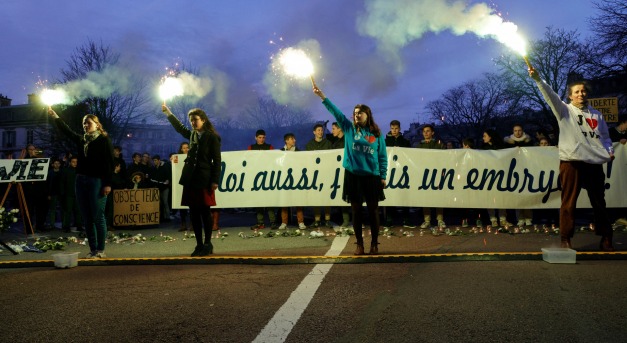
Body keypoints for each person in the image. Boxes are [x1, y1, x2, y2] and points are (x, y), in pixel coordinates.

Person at [529, 68, 615, 251]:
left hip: (593, 163)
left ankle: (607, 236)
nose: (581, 94)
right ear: (570, 97)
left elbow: (606, 138)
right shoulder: (564, 111)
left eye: (583, 91)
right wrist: (538, 79)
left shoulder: (597, 115)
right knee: (568, 201)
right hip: (571, 162)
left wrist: (609, 150)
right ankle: (565, 238)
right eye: (576, 92)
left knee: (599, 202)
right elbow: (550, 95)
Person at [313, 83, 387, 255]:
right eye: (354, 114)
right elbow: (336, 113)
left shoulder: (376, 134)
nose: (356, 116)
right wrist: (322, 96)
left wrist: (383, 175)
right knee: (356, 211)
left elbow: (382, 156)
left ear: (367, 115)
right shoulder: (348, 129)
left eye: (359, 113)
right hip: (353, 176)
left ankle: (375, 243)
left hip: (372, 177)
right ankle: (359, 244)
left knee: (373, 211)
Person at [48, 109, 114, 259]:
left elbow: (110, 163)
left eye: (88, 122)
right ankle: (93, 250)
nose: (85, 125)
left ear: (97, 125)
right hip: (81, 180)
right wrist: (55, 116)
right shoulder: (82, 140)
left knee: (98, 216)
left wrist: (107, 183)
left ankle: (101, 250)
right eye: (84, 123)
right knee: (87, 218)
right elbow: (67, 131)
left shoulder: (104, 140)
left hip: (96, 181)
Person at [162, 105, 221, 257]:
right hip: (191, 178)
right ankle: (199, 244)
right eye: (191, 121)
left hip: (204, 178)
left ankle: (208, 243)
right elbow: (179, 127)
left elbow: (217, 161)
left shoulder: (212, 137)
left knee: (205, 212)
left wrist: (215, 180)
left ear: (203, 120)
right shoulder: (192, 135)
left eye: (195, 120)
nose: (193, 123)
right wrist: (168, 113)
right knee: (193, 212)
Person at [503, 123, 534, 227]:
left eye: (519, 130)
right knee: (518, 196)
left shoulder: (529, 142)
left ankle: (528, 218)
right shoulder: (508, 143)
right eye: (515, 130)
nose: (518, 132)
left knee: (527, 195)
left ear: (522, 131)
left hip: (527, 170)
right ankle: (520, 218)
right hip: (514, 171)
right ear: (513, 132)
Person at [416, 124, 446, 229]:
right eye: (424, 131)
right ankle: (427, 220)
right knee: (426, 197)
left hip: (437, 174)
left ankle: (440, 220)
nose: (425, 133)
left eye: (428, 131)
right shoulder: (419, 145)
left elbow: (444, 157)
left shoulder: (438, 144)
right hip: (425, 174)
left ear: (432, 133)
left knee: (438, 196)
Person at [481, 129, 512, 227]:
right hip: (488, 177)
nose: (483, 138)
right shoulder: (483, 148)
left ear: (490, 137)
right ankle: (493, 219)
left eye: (485, 136)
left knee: (501, 198)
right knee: (490, 198)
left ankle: (503, 219)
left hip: (500, 176)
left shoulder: (501, 147)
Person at [384, 120, 411, 228]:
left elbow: (410, 155)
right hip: (390, 171)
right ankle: (389, 219)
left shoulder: (405, 142)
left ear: (399, 129)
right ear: (390, 129)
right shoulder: (385, 142)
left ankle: (406, 219)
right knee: (390, 194)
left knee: (404, 194)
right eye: (392, 129)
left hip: (402, 171)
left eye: (396, 129)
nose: (394, 131)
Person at [248, 129, 277, 230]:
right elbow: (248, 161)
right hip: (256, 177)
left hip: (267, 177)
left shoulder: (270, 147)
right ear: (255, 138)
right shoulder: (251, 147)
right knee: (259, 201)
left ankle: (273, 222)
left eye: (263, 137)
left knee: (269, 201)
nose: (261, 139)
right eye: (260, 137)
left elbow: (273, 161)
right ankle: (260, 223)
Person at [305, 123, 333, 228]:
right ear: (314, 132)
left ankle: (327, 219)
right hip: (315, 174)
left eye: (321, 130)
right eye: (318, 130)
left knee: (326, 196)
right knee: (316, 196)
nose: (320, 132)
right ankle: (317, 219)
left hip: (326, 173)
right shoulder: (309, 145)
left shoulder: (328, 143)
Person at [278, 133, 307, 230]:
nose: (294, 140)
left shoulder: (298, 151)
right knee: (284, 201)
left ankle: (301, 222)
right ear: (286, 141)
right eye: (292, 139)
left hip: (296, 179)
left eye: (294, 138)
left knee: (298, 201)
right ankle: (284, 222)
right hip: (284, 180)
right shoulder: (281, 152)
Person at [330, 122, 351, 228]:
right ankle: (345, 219)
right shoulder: (335, 143)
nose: (332, 131)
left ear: (340, 129)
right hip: (339, 173)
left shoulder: (347, 140)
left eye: (333, 128)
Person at [60, 156, 83, 233]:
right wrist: (63, 193)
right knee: (68, 211)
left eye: (76, 162)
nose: (75, 163)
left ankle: (79, 226)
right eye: (73, 162)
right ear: (70, 162)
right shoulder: (65, 171)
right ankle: (66, 226)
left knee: (78, 211)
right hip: (68, 194)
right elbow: (62, 182)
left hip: (78, 194)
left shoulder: (79, 171)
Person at [149, 155, 172, 223]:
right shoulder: (154, 168)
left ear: (159, 160)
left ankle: (167, 217)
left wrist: (168, 181)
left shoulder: (165, 166)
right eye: (153, 161)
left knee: (165, 202)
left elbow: (168, 175)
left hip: (164, 187)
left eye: (155, 160)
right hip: (158, 187)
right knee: (160, 203)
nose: (154, 162)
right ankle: (162, 217)